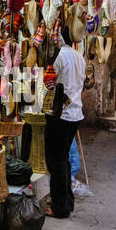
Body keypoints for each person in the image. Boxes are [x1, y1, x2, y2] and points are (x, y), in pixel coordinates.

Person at [45, 24, 85, 218]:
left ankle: (59, 207)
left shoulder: (60, 55)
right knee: (63, 160)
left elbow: (48, 81)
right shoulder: (80, 57)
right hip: (75, 114)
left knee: (56, 161)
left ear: (60, 37)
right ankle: (66, 202)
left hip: (61, 114)